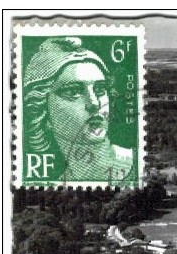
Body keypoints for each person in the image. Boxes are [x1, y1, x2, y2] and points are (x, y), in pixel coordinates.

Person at [23, 36, 133, 184]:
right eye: (73, 91)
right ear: (41, 110)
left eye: (100, 89)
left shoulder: (134, 163)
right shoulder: (57, 183)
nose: (94, 104)